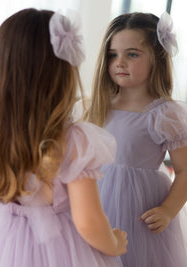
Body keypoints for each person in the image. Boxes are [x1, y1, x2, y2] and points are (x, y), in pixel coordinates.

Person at [0, 8, 128, 267]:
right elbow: (89, 222)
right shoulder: (73, 140)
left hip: (0, 242)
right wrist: (114, 243)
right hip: (61, 251)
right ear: (62, 76)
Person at [84, 11, 187, 267]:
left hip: (139, 213)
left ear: (156, 59)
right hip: (96, 201)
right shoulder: (98, 106)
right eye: (113, 55)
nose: (119, 62)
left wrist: (168, 210)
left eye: (132, 54)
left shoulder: (163, 114)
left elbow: (185, 170)